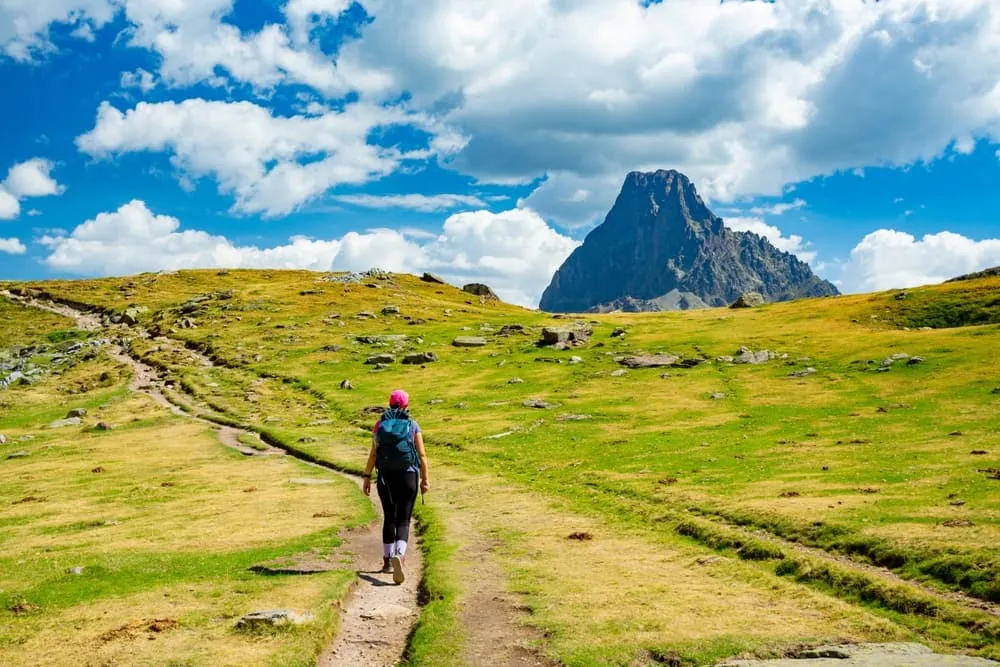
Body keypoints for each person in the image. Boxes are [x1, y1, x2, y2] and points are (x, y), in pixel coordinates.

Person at [362, 389, 430, 584]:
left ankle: (387, 561)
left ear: (390, 404)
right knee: (404, 520)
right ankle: (399, 554)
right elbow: (422, 455)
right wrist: (425, 479)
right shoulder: (412, 425)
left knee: (389, 517)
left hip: (385, 477)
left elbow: (374, 454)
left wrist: (367, 477)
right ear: (406, 405)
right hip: (408, 475)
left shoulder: (379, 425)